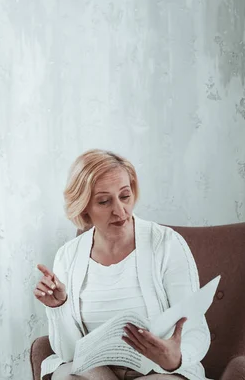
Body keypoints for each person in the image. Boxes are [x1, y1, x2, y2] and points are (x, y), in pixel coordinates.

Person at [34, 149, 210, 380]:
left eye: (125, 196)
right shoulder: (67, 255)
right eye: (104, 201)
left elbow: (196, 331)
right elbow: (68, 353)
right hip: (96, 373)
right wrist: (58, 307)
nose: (120, 211)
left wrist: (176, 358)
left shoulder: (166, 244)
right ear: (84, 206)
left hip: (157, 373)